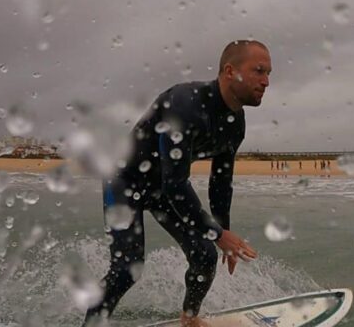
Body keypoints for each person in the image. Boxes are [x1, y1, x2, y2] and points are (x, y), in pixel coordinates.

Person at [83, 40, 271, 327]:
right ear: (230, 71)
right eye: (259, 71)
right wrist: (218, 233)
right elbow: (176, 184)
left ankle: (189, 318)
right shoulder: (186, 104)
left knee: (205, 255)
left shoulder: (236, 123)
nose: (266, 81)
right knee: (127, 269)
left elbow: (221, 182)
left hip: (163, 189)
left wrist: (224, 232)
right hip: (125, 181)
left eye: (269, 73)